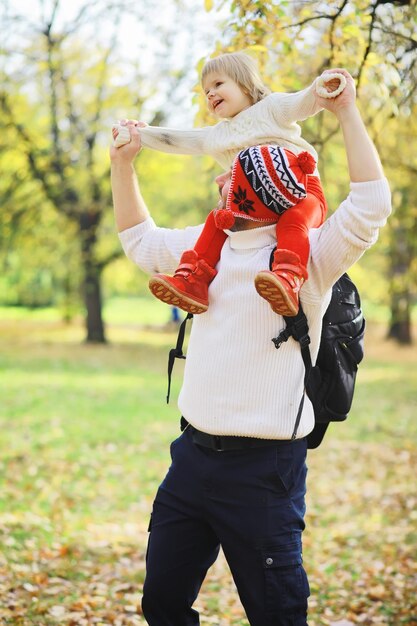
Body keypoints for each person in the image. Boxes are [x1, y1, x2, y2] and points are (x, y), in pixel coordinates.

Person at [110, 69, 391, 626]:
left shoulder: (311, 258)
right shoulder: (202, 248)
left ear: (255, 188)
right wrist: (124, 163)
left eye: (233, 172)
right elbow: (140, 241)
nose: (221, 178)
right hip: (189, 460)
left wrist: (347, 113)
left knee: (277, 614)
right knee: (161, 605)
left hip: (264, 473)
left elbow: (369, 206)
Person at [112, 51, 347, 317]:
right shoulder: (219, 136)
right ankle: (193, 281)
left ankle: (288, 277)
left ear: (245, 83)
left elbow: (302, 102)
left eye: (218, 84)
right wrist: (140, 135)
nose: (210, 94)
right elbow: (180, 140)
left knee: (293, 221)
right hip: (253, 204)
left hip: (301, 193)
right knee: (218, 220)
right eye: (206, 91)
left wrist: (323, 88)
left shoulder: (271, 108)